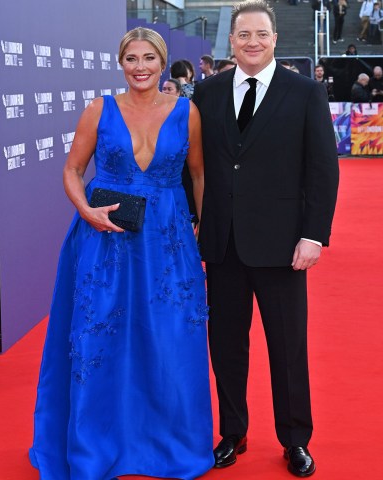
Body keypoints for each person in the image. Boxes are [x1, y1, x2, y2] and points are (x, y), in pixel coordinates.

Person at [29, 26, 214, 480]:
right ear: (120, 62)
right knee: (100, 336)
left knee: (172, 338)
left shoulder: (187, 112)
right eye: (131, 58)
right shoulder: (100, 110)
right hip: (104, 237)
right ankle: (96, 446)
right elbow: (72, 170)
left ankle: (170, 444)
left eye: (149, 58)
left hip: (167, 240)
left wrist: (200, 236)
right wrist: (86, 211)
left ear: (163, 62)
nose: (140, 67)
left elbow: (200, 176)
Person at [193, 1, 339, 477]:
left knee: (287, 347)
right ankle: (232, 432)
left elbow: (322, 170)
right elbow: (194, 168)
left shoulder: (305, 92)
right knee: (226, 345)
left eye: (260, 34)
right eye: (243, 34)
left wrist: (313, 235)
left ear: (275, 38)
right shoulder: (207, 92)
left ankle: (295, 439)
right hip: (223, 243)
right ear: (230, 40)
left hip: (281, 246)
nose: (252, 42)